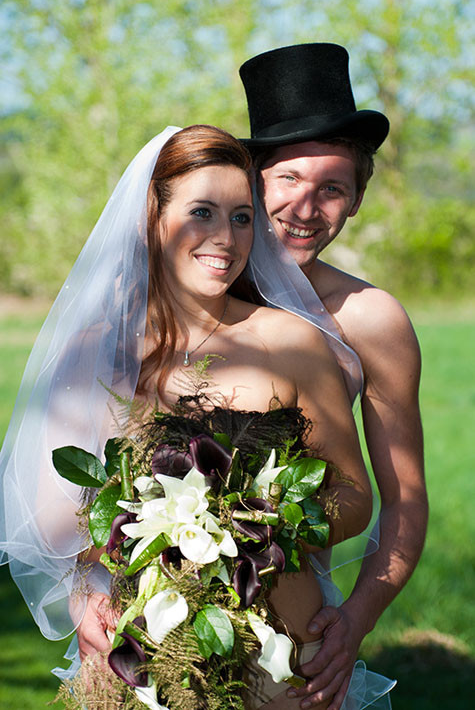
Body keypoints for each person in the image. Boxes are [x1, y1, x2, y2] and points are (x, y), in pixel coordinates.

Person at [0, 124, 394, 709]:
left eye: (241, 217)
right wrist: (87, 594)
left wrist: (259, 522)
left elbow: (355, 496)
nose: (226, 238)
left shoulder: (293, 343)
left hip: (282, 661)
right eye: (202, 212)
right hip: (142, 658)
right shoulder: (97, 352)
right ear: (150, 219)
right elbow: (55, 526)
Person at [239, 43, 428, 709]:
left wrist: (357, 616)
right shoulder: (184, 298)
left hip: (297, 623)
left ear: (354, 200)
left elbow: (403, 497)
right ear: (251, 180)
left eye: (331, 188)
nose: (305, 206)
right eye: (287, 178)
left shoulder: (370, 318)